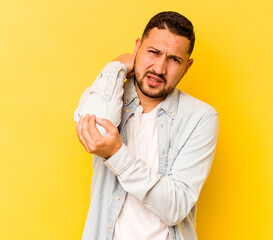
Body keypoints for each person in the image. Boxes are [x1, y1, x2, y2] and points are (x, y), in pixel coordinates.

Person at [75, 11, 219, 240]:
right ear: (137, 48)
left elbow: (176, 208)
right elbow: (98, 133)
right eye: (153, 52)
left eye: (174, 59)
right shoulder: (108, 94)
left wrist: (116, 154)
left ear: (187, 67)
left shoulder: (201, 118)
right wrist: (115, 67)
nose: (160, 69)